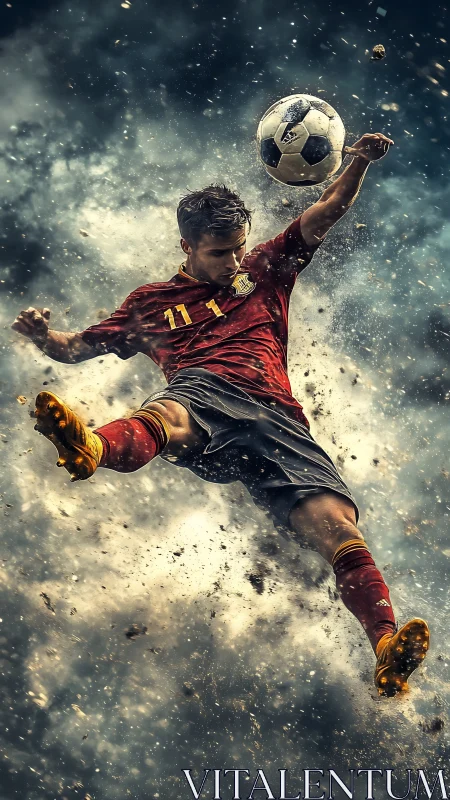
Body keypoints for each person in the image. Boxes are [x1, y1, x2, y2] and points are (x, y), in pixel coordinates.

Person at [12, 132, 429, 696]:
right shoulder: (149, 304)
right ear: (186, 246)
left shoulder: (266, 269)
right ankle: (91, 447)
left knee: (342, 532)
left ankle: (385, 652)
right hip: (205, 395)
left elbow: (326, 210)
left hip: (279, 423)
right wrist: (45, 337)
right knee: (175, 410)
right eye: (218, 253)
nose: (233, 262)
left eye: (238, 249)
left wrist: (356, 163)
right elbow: (77, 347)